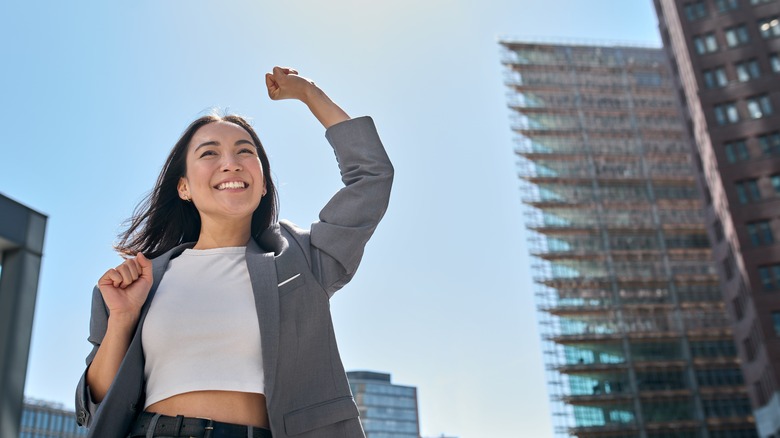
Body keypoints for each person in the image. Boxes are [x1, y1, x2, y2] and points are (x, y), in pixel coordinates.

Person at [74, 66, 394, 438]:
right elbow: (97, 404)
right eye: (210, 153)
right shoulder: (139, 282)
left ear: (261, 185)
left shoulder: (303, 259)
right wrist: (122, 320)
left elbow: (371, 177)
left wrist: (309, 93)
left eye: (245, 151)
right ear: (184, 188)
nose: (231, 162)